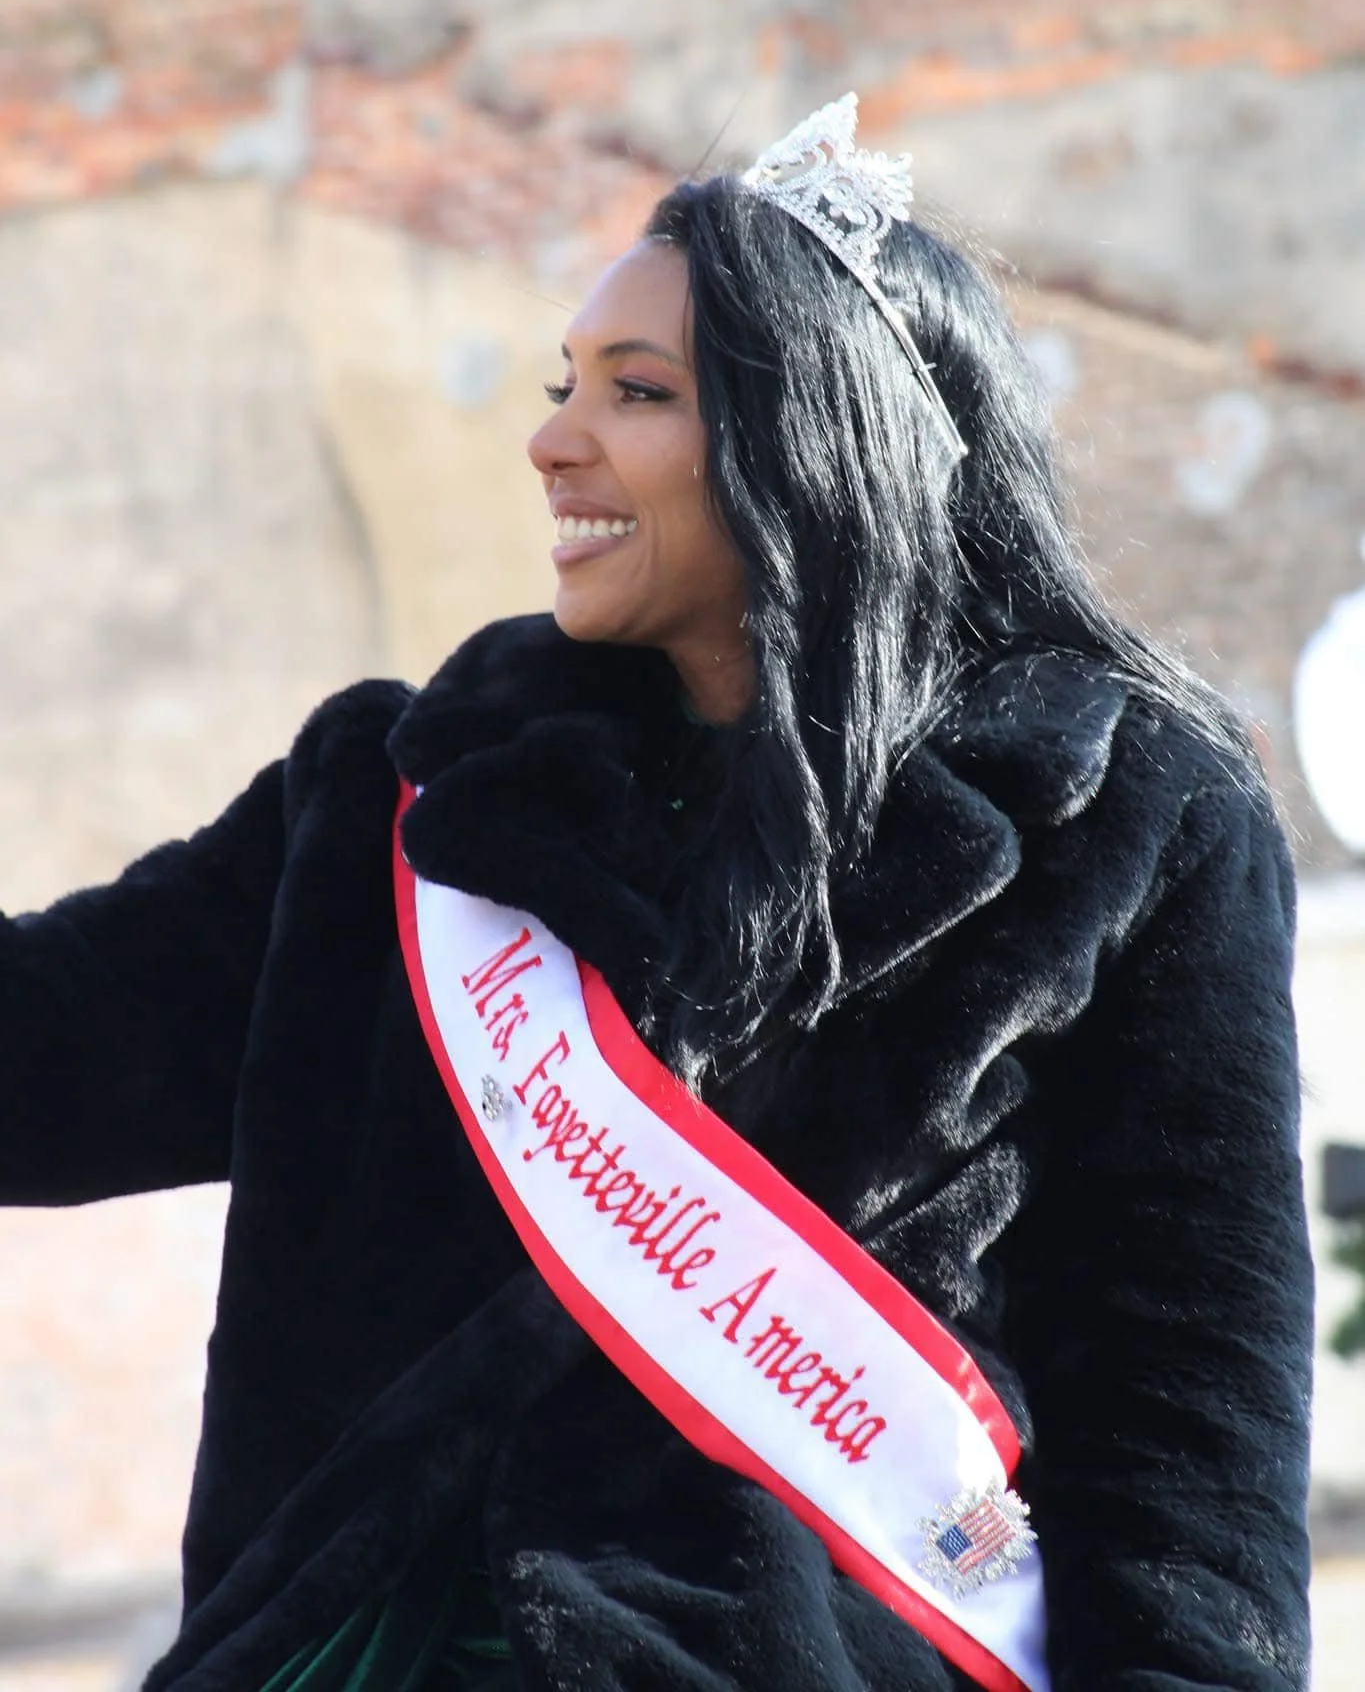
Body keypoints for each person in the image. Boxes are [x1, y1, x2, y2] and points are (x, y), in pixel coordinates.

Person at [1, 96, 1311, 1692]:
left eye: (638, 393)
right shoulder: (402, 801)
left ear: (813, 433)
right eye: (567, 388)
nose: (555, 438)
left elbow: (1187, 1404)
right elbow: (42, 1057)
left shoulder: (1130, 815)